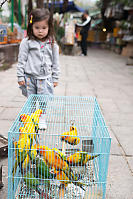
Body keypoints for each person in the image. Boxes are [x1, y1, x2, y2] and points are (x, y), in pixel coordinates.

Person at [17, 8, 60, 98]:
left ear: (49, 27)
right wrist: (20, 76)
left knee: (43, 102)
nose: (40, 31)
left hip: (45, 79)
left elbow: (56, 62)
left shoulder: (52, 43)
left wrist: (55, 78)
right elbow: (22, 60)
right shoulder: (26, 42)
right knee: (30, 102)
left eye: (44, 28)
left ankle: (42, 113)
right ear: (31, 27)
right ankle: (31, 113)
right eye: (37, 27)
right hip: (30, 79)